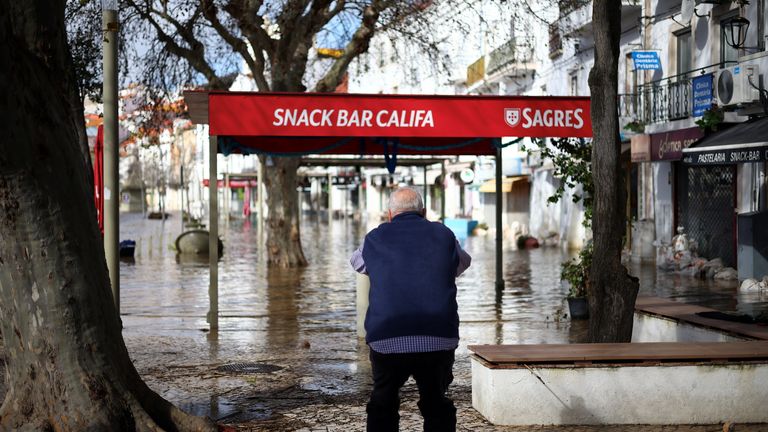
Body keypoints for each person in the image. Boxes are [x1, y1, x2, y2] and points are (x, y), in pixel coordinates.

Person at [350, 186, 471, 432]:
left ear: (390, 215)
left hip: (387, 337)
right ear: (424, 212)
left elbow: (357, 263)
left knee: (383, 401)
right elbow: (463, 263)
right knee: (436, 400)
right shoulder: (444, 234)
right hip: (438, 337)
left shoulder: (374, 237)